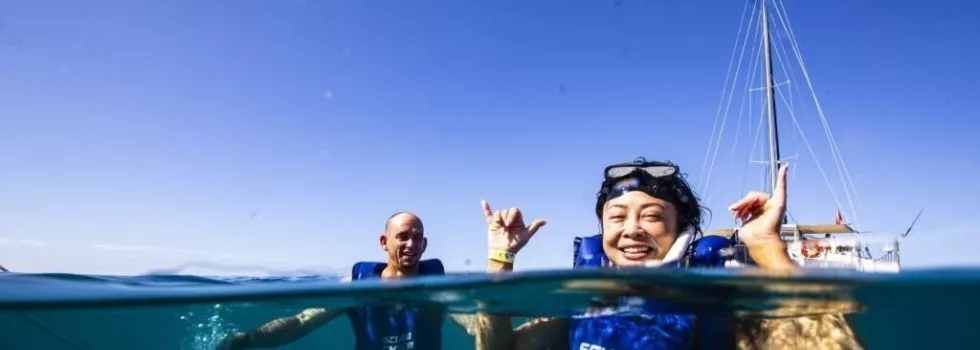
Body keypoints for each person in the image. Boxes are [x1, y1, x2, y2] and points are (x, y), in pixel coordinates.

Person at [473, 158, 862, 350]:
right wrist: (499, 260)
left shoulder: (717, 308)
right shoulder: (581, 306)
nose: (631, 229)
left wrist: (766, 245)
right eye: (617, 216)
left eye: (652, 216)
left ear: (681, 230)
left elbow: (827, 344)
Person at [218, 212, 478, 350]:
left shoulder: (440, 288)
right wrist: (249, 339)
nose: (411, 244)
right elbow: (300, 323)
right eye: (402, 236)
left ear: (425, 244)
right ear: (384, 242)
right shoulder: (356, 287)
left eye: (417, 237)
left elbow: (475, 327)